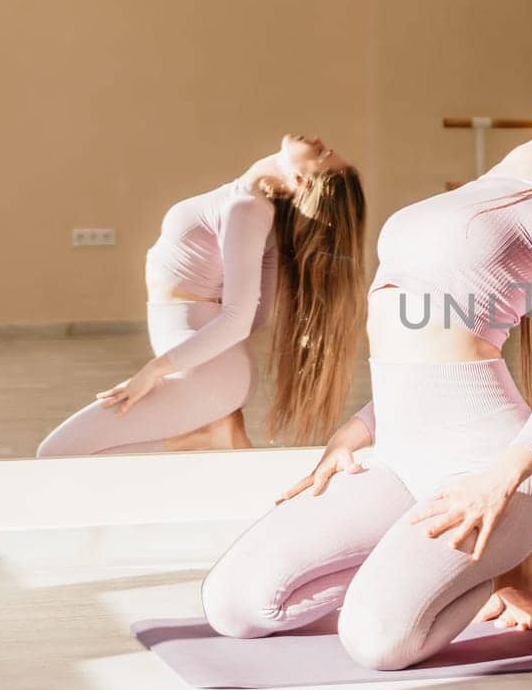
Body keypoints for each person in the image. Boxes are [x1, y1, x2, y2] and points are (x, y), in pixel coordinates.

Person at [199, 108, 532, 670]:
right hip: (400, 457)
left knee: (376, 642)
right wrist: (360, 425)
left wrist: (499, 479)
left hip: (489, 467)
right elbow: (420, 353)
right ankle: (474, 565)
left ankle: (502, 562)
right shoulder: (468, 196)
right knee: (236, 605)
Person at [37, 134, 365, 457]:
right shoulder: (251, 206)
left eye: (321, 152)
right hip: (212, 372)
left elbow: (239, 321)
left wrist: (153, 371)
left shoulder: (246, 210)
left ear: (301, 181)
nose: (318, 139)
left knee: (56, 453)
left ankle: (204, 438)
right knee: (70, 455)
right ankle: (211, 436)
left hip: (208, 375)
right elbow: (258, 316)